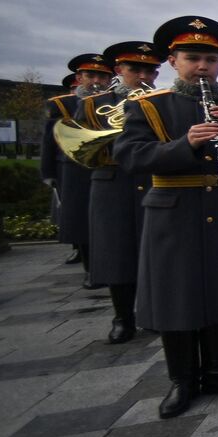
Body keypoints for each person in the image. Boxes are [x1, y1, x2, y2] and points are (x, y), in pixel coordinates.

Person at [114, 16, 218, 419]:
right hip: (173, 211)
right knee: (177, 294)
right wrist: (184, 145)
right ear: (174, 61)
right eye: (192, 58)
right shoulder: (150, 106)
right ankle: (182, 379)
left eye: (210, 60)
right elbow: (131, 157)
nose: (202, 67)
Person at [77, 42, 164, 342]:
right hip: (113, 183)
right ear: (119, 71)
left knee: (154, 251)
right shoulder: (93, 104)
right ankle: (122, 317)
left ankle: (152, 312)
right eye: (134, 69)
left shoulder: (161, 101)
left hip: (151, 180)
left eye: (150, 70)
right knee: (117, 252)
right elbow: (80, 149)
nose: (143, 75)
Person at [45, 56, 110, 280]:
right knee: (80, 220)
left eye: (102, 76)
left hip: (107, 167)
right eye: (90, 76)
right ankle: (90, 269)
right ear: (79, 78)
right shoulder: (63, 104)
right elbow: (49, 141)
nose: (96, 81)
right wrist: (49, 173)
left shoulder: (117, 101)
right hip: (74, 170)